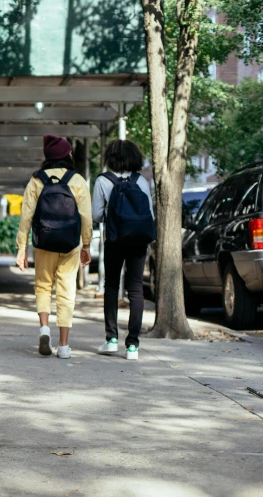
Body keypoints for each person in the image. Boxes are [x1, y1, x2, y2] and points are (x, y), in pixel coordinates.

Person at [16, 136, 93, 359]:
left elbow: (26, 216)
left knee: (42, 285)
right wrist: (86, 244)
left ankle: (44, 329)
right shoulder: (77, 180)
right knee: (66, 290)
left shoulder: (36, 180)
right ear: (67, 155)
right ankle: (64, 345)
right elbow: (86, 216)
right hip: (70, 244)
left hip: (44, 242)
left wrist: (22, 247)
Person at [93, 139, 154, 361]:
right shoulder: (141, 181)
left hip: (115, 239)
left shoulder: (103, 181)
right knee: (136, 289)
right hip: (138, 240)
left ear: (110, 158)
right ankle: (132, 346)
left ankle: (111, 340)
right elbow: (149, 214)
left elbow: (97, 215)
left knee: (111, 286)